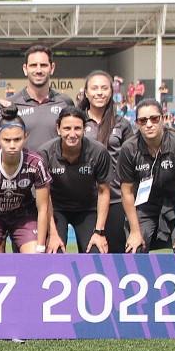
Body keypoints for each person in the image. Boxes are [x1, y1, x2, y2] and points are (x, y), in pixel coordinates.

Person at [118, 99, 175, 254]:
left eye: (154, 119)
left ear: (163, 119)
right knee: (134, 249)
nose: (149, 124)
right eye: (143, 120)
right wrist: (135, 232)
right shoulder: (128, 148)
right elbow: (126, 192)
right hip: (145, 204)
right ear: (137, 123)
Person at [0, 107, 52, 254]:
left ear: (25, 137)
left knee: (35, 256)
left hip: (24, 216)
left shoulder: (36, 162)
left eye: (17, 139)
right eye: (7, 140)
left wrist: (40, 246)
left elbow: (43, 207)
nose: (12, 145)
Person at [77, 70, 136, 254]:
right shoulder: (76, 122)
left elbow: (131, 161)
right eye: (94, 88)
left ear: (111, 92)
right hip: (87, 200)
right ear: (86, 93)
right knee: (90, 255)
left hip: (116, 199)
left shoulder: (122, 124)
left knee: (116, 254)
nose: (99, 92)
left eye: (104, 88)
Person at [39, 108, 112, 254]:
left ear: (85, 129)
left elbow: (104, 192)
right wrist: (52, 234)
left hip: (87, 209)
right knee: (54, 251)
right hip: (57, 209)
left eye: (77, 128)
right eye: (67, 128)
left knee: (96, 251)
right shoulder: (45, 153)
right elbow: (44, 197)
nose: (72, 134)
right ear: (58, 129)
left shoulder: (98, 152)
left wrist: (99, 232)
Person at [7, 44, 76, 151]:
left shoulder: (65, 102)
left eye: (43, 65)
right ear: (25, 69)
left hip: (56, 167)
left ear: (52, 68)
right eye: (33, 65)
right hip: (24, 167)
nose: (38, 70)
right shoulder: (11, 104)